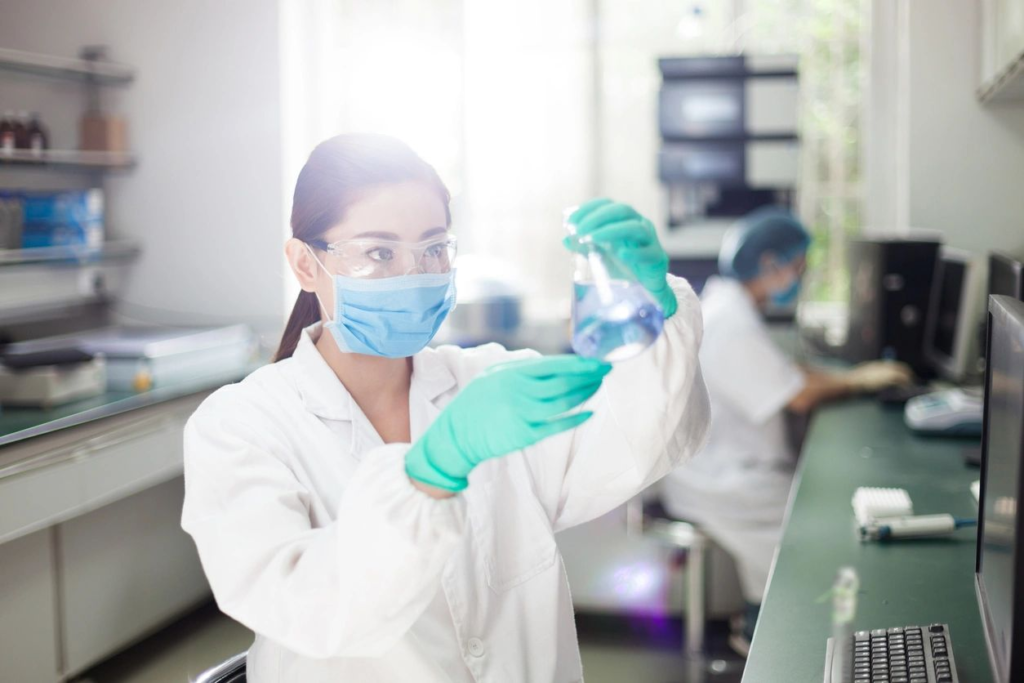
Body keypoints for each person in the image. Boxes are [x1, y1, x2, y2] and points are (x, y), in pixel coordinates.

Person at [181, 133, 711, 682]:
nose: (414, 273)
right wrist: (430, 472)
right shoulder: (241, 427)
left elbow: (636, 439)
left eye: (433, 248)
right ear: (306, 264)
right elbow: (303, 608)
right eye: (379, 253)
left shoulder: (489, 384)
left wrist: (651, 309)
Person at [660, 207, 912, 657]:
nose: (802, 277)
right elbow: (795, 394)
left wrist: (844, 376)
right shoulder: (729, 323)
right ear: (770, 264)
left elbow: (784, 372)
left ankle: (764, 625)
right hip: (726, 479)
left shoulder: (728, 306)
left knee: (821, 524)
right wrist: (857, 379)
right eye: (798, 267)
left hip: (725, 470)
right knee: (824, 541)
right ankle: (766, 638)